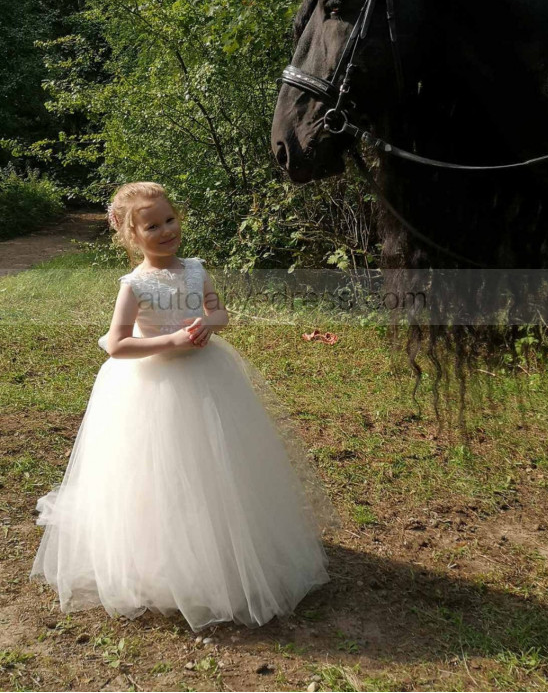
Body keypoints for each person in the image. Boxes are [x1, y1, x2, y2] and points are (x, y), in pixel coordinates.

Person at [29, 181, 338, 632]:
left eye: (170, 219)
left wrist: (207, 322)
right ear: (131, 235)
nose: (165, 230)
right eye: (152, 226)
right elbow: (116, 343)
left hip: (209, 379)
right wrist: (170, 340)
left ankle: (224, 547)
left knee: (215, 466)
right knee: (159, 472)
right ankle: (161, 559)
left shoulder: (196, 269)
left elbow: (220, 312)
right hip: (153, 387)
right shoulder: (134, 285)